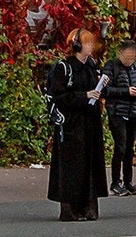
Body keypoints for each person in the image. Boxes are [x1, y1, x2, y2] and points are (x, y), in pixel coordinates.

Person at [46, 29, 108, 221]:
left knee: (90, 162)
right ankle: (71, 209)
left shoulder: (91, 65)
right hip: (71, 124)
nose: (91, 47)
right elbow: (59, 96)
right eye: (87, 43)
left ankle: (89, 207)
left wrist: (100, 90)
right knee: (72, 165)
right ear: (77, 46)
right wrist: (85, 96)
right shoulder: (63, 67)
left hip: (90, 122)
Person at [101, 40, 136, 196]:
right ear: (119, 54)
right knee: (120, 147)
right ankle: (116, 182)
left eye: (132, 57)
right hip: (117, 112)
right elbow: (105, 90)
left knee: (129, 148)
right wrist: (125, 91)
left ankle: (128, 181)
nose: (129, 60)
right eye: (127, 57)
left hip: (133, 111)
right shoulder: (111, 67)